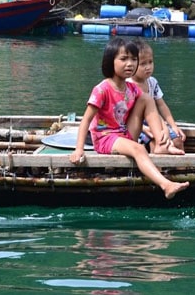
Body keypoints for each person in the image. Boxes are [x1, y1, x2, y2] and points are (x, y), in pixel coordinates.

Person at [69, 37, 188, 200]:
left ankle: (160, 145)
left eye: (133, 59)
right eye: (124, 59)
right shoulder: (102, 89)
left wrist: (164, 129)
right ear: (111, 61)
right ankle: (166, 185)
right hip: (106, 138)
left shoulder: (131, 88)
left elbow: (151, 109)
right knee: (138, 148)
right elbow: (85, 121)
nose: (130, 64)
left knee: (147, 98)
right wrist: (79, 149)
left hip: (124, 133)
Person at [129, 39, 186, 152]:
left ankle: (181, 168)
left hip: (154, 120)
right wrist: (145, 129)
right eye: (143, 64)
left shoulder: (152, 82)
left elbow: (161, 105)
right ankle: (156, 169)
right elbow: (126, 115)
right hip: (135, 124)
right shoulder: (128, 85)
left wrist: (173, 126)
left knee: (178, 140)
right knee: (155, 142)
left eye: (150, 62)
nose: (148, 67)